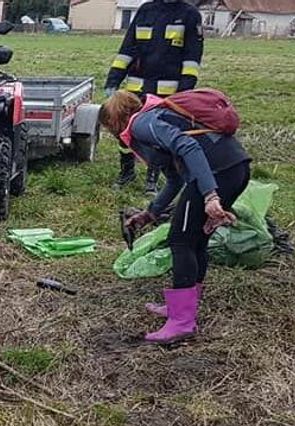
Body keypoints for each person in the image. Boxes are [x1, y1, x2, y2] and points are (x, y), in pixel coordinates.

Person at [100, 90, 250, 344]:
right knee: (196, 241)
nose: (110, 133)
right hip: (235, 168)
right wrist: (151, 213)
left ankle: (181, 322)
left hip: (217, 174)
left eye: (107, 128)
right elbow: (175, 177)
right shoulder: (158, 118)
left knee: (180, 242)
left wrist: (210, 195)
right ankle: (184, 308)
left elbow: (187, 145)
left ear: (115, 120)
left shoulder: (142, 123)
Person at [104, 0, 204, 194]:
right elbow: (127, 50)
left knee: (158, 136)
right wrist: (112, 81)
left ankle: (152, 179)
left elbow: (192, 59)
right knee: (125, 133)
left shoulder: (189, 14)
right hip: (136, 88)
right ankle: (126, 173)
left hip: (168, 92)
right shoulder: (145, 10)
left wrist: (184, 92)